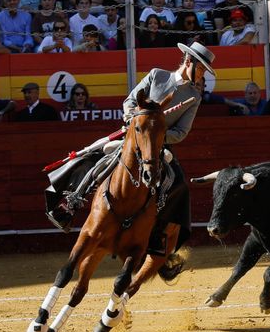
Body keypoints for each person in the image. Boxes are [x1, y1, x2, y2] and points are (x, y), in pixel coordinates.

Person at [44, 42, 215, 269]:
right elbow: (130, 101)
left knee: (178, 185)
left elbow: (181, 132)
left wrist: (155, 134)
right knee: (95, 157)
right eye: (201, 68)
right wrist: (134, 120)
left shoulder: (194, 96)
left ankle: (158, 235)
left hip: (159, 148)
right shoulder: (157, 75)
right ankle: (71, 204)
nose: (202, 74)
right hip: (133, 137)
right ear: (188, 61)